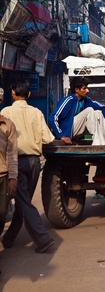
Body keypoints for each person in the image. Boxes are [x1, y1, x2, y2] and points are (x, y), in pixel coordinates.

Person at [1, 79, 55, 253]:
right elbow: (48, 138)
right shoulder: (36, 112)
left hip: (15, 161)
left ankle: (43, 239)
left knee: (23, 202)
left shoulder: (6, 112)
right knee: (24, 201)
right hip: (34, 162)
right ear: (29, 94)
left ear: (13, 94)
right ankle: (9, 239)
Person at [48, 77, 105, 145]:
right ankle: (97, 143)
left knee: (98, 113)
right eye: (84, 88)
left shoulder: (86, 101)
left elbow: (102, 108)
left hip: (76, 132)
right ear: (77, 90)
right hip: (66, 132)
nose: (87, 91)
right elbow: (52, 118)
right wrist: (61, 136)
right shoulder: (69, 100)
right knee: (89, 110)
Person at [0, 87, 18, 245]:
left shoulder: (7, 125)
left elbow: (12, 155)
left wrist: (13, 179)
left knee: (1, 215)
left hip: (3, 177)